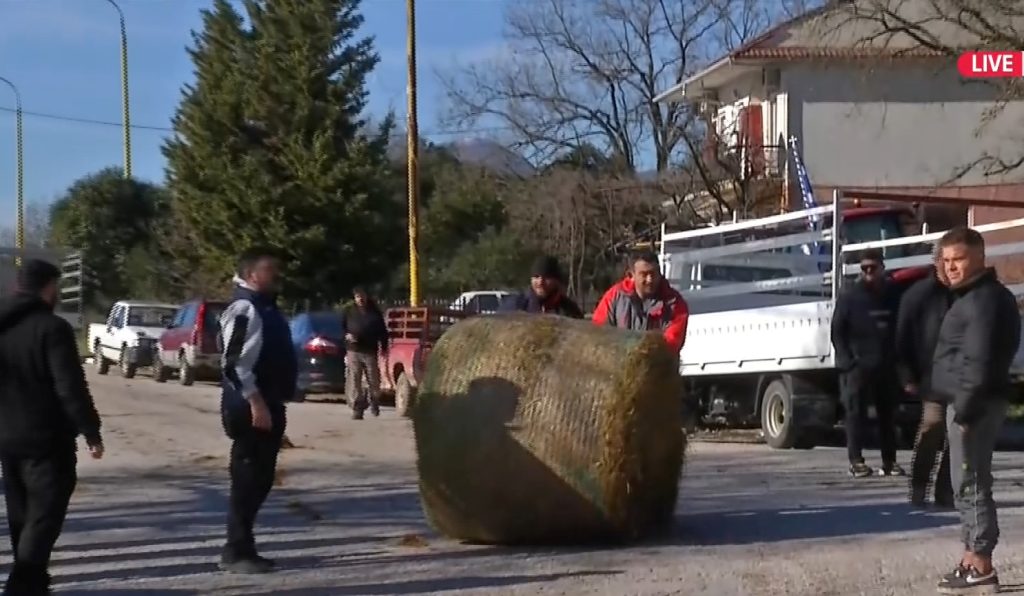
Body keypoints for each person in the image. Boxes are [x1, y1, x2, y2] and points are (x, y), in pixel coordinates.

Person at [0, 259, 103, 594]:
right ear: (48, 288)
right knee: (44, 515)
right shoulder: (51, 328)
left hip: (7, 438)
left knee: (22, 515)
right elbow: (69, 386)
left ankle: (34, 581)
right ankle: (23, 586)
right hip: (47, 439)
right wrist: (91, 430)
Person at [932, 227, 1020, 594]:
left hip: (974, 405)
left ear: (980, 258)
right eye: (946, 261)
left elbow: (979, 362)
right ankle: (970, 558)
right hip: (972, 402)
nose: (951, 267)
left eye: (959, 259)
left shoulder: (983, 300)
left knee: (970, 483)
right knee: (965, 481)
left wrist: (966, 412)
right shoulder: (977, 297)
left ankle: (981, 563)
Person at [218, 248, 296, 574]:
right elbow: (233, 364)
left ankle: (244, 547)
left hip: (267, 403)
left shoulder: (265, 307)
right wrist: (256, 402)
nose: (276, 274)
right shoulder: (244, 309)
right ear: (252, 274)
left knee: (260, 479)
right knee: (248, 479)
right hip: (250, 407)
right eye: (270, 269)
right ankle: (236, 552)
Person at [830, 248, 904, 478]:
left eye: (873, 267)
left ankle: (889, 462)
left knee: (887, 416)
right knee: (855, 415)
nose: (869, 272)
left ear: (882, 267)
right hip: (858, 367)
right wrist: (848, 362)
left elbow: (902, 325)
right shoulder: (850, 296)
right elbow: (837, 331)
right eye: (864, 268)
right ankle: (856, 461)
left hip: (886, 365)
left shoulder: (893, 294)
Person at [896, 245, 953, 508]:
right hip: (932, 378)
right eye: (946, 260)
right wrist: (907, 374)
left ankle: (945, 490)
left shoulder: (966, 294)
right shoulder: (918, 295)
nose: (951, 267)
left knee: (957, 438)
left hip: (963, 378)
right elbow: (903, 338)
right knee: (932, 429)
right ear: (937, 261)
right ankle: (919, 487)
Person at [592, 251, 689, 352]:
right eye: (644, 274)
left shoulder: (674, 303)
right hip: (618, 357)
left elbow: (672, 343)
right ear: (631, 275)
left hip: (658, 360)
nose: (650, 279)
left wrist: (645, 352)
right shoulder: (614, 297)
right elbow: (598, 332)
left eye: (653, 273)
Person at [340, 287, 388, 420]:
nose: (360, 299)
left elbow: (383, 331)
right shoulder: (349, 311)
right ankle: (358, 408)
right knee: (355, 379)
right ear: (354, 298)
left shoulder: (374, 312)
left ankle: (374, 400)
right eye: (357, 296)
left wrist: (384, 347)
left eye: (362, 296)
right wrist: (347, 336)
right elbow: (342, 328)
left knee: (373, 379)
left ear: (366, 297)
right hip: (353, 350)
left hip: (370, 350)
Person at [499, 255, 584, 318]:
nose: (540, 282)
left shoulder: (569, 309)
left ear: (556, 280)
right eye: (536, 277)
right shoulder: (515, 305)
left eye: (546, 278)